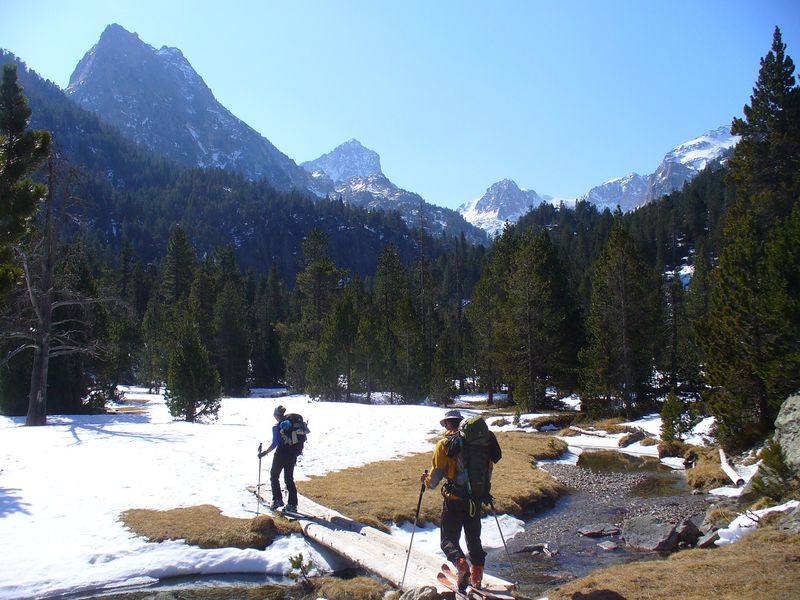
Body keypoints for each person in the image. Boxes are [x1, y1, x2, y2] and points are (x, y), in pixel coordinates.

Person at [421, 409, 501, 591]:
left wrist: (425, 481)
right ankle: (477, 577)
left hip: (454, 499)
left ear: (448, 423)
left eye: (445, 424)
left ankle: (461, 565)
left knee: (448, 540)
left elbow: (434, 480)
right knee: (473, 537)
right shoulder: (482, 442)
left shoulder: (445, 444)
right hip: (476, 499)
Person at [259, 405, 299, 511]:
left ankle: (277, 499)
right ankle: (292, 504)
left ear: (276, 415)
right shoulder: (292, 425)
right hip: (292, 454)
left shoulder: (276, 427)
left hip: (281, 454)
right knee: (289, 479)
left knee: (274, 475)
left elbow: (274, 444)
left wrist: (264, 453)